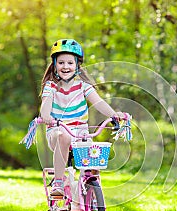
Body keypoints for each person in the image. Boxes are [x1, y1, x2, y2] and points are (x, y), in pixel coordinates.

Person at [39, 39, 125, 196]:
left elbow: (99, 102)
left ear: (77, 65)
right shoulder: (50, 86)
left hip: (80, 135)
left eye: (70, 63)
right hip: (57, 133)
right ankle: (58, 182)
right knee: (62, 135)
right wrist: (45, 116)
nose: (66, 66)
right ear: (54, 65)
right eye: (61, 62)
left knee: (94, 155)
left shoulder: (84, 87)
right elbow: (45, 106)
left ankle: (92, 195)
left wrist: (114, 114)